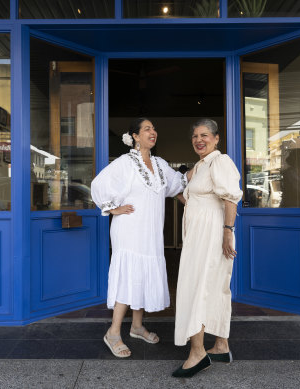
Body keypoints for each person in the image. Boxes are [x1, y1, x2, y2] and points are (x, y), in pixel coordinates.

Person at [91, 118, 187, 358]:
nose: (153, 132)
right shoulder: (125, 163)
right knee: (129, 275)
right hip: (129, 229)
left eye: (154, 128)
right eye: (147, 129)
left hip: (151, 231)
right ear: (134, 136)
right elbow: (99, 184)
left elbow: (178, 185)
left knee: (144, 274)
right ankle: (113, 332)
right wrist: (112, 208)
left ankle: (136, 326)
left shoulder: (160, 164)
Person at [172, 118, 243, 378]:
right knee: (214, 287)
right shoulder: (200, 167)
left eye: (204, 135)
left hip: (212, 234)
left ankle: (198, 352)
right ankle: (221, 345)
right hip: (199, 233)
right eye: (194, 136)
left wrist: (227, 232)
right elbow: (188, 196)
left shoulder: (220, 161)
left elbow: (231, 199)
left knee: (198, 287)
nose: (198, 140)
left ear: (216, 138)